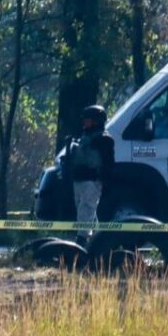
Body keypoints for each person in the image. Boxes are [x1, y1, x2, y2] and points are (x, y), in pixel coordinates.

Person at [64, 105, 114, 246]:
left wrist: (106, 181)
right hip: (79, 179)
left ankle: (82, 238)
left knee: (86, 208)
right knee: (85, 210)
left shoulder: (103, 139)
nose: (84, 122)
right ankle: (98, 239)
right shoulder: (84, 138)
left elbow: (108, 163)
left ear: (96, 120)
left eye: (88, 119)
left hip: (92, 180)